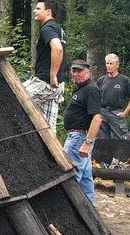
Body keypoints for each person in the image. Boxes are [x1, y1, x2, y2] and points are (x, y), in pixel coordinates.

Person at [23, 0, 67, 133]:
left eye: (38, 8)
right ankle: (52, 154)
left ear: (48, 12)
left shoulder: (47, 28)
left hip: (45, 83)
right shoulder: (58, 29)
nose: (34, 11)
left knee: (14, 96)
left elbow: (58, 49)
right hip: (57, 86)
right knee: (48, 130)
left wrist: (53, 75)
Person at [63, 59, 102, 205]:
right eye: (74, 70)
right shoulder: (82, 89)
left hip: (79, 138)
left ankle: (67, 210)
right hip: (78, 137)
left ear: (88, 72)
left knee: (70, 176)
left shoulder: (91, 89)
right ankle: (92, 212)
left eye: (79, 71)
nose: (76, 74)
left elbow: (97, 118)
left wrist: (87, 143)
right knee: (86, 178)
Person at [96, 53, 130, 139]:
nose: (109, 66)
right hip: (102, 112)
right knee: (101, 141)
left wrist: (125, 113)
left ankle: (124, 153)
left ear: (117, 65)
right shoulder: (101, 80)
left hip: (116, 113)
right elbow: (96, 98)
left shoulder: (124, 80)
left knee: (124, 139)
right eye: (107, 63)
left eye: (111, 63)